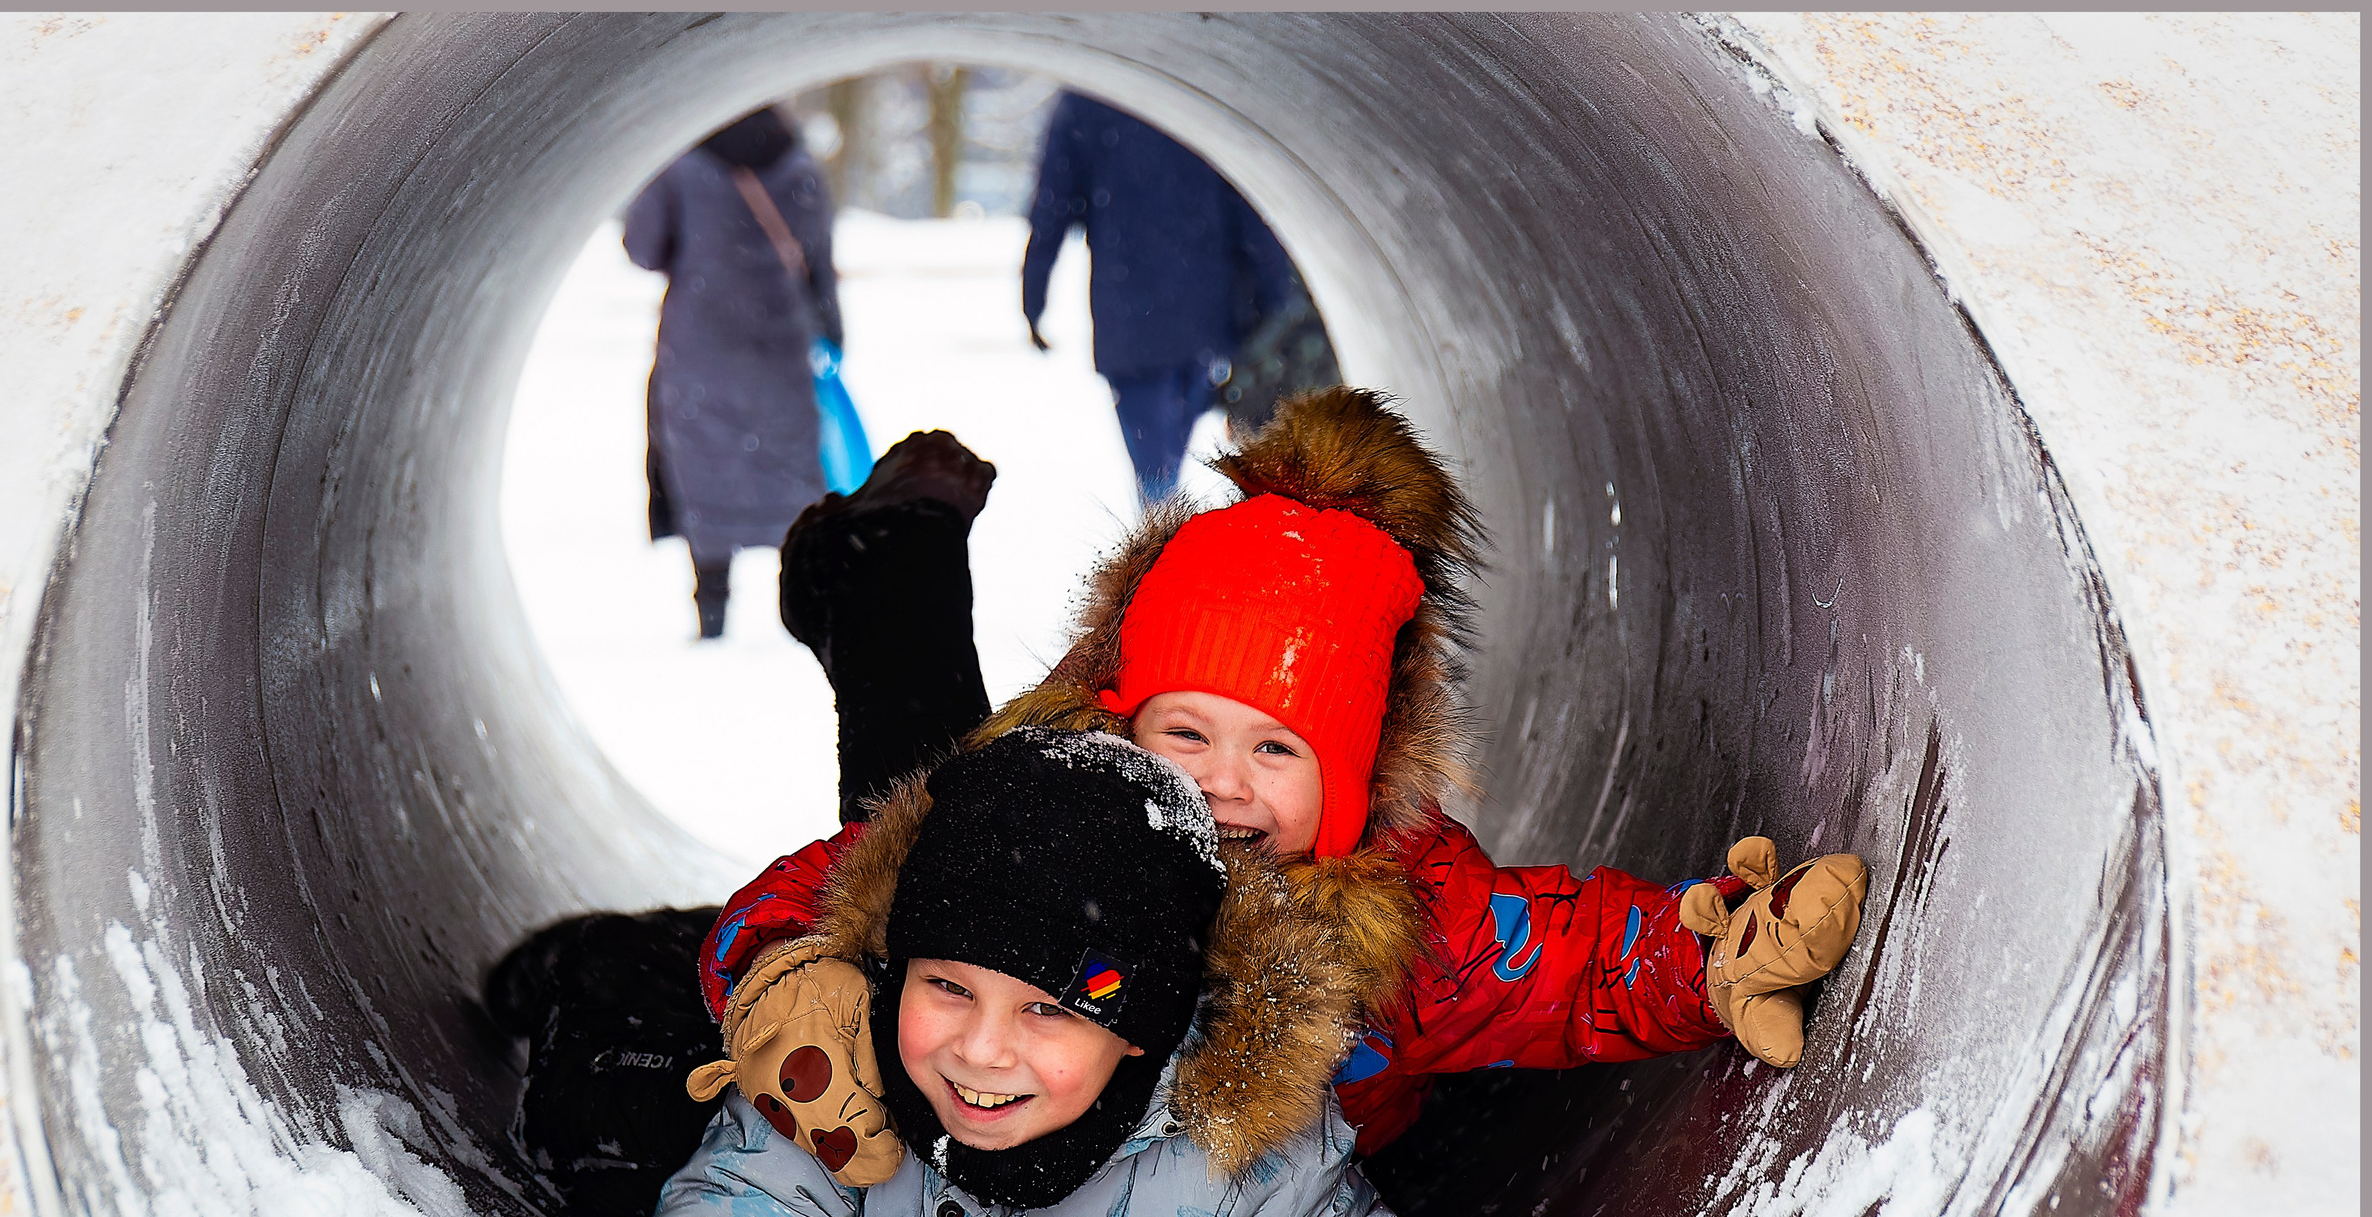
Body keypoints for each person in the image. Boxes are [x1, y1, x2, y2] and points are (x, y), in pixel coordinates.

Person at [706, 388, 1870, 1166]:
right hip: (1008, 1056)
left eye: (1276, 750)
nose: (1224, 785)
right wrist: (784, 975)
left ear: (1353, 777)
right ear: (1127, 729)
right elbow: (824, 889)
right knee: (928, 803)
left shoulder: (1397, 917)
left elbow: (1564, 958)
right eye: (1187, 741)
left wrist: (1705, 954)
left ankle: (884, 570)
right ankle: (882, 564)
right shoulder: (1046, 811)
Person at [603, 726, 1424, 1217]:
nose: (984, 1050)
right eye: (949, 988)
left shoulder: (1227, 1137)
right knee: (619, 1108)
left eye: (1049, 1009)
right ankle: (597, 967)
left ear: (1143, 1030)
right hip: (700, 1114)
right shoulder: (838, 1085)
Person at [624, 106, 842, 638]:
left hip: (699, 350)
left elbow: (642, 248)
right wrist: (832, 336)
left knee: (707, 468)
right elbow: (819, 262)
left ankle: (713, 608)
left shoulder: (681, 164)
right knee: (788, 473)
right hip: (780, 350)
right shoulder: (799, 166)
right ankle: (802, 612)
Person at [1021, 92, 1296, 503]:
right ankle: (1167, 535)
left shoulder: (1087, 101)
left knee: (1154, 468)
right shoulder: (1198, 95)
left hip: (1130, 319)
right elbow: (1247, 205)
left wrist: (1033, 301)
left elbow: (1051, 210)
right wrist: (1275, 298)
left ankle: (1160, 542)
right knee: (1167, 455)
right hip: (1204, 316)